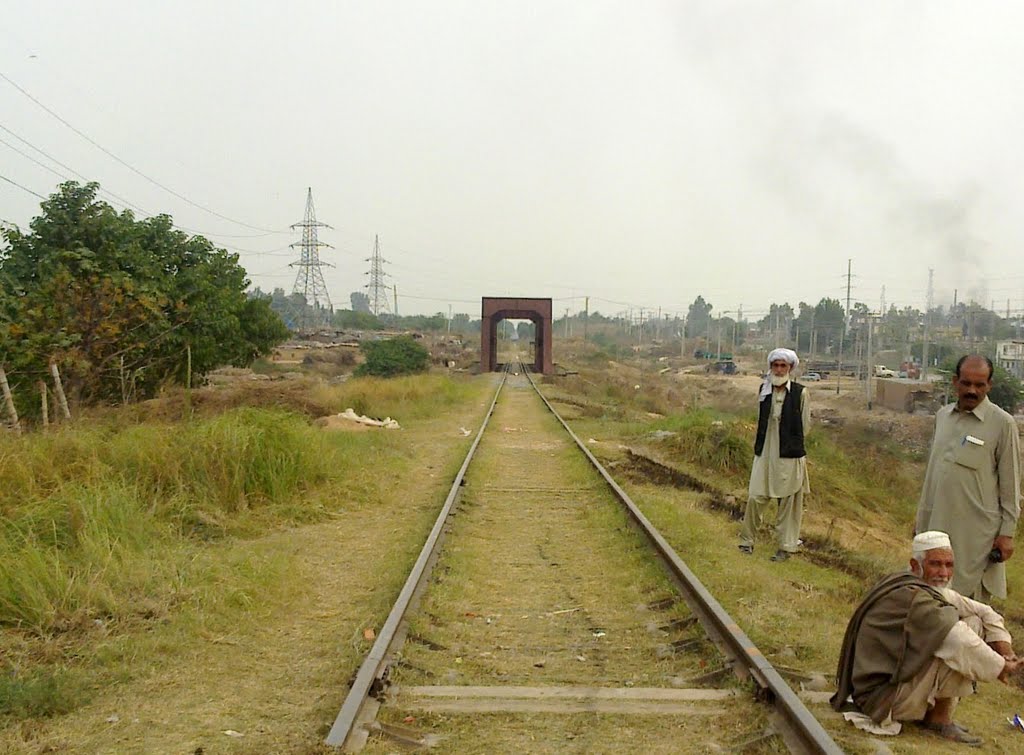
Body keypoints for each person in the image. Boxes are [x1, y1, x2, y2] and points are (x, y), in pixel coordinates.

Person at [831, 531, 1021, 746]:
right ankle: (939, 718)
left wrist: (1006, 652)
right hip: (882, 699)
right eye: (936, 564)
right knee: (957, 638)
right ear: (915, 565)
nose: (944, 573)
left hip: (892, 687)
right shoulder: (913, 597)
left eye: (949, 565)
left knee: (974, 620)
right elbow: (959, 641)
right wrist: (1001, 667)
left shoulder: (922, 587)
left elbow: (986, 611)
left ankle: (935, 716)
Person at [915, 354, 1021, 602]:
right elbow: (934, 476)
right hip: (937, 527)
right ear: (955, 382)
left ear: (989, 385)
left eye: (980, 385)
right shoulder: (942, 417)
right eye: (966, 383)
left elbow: (1011, 486)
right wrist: (921, 520)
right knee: (930, 599)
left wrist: (1007, 534)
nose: (972, 390)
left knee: (969, 608)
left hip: (976, 538)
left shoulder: (1002, 424)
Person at [738, 348, 809, 562]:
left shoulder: (801, 393)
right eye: (775, 365)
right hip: (765, 452)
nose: (778, 370)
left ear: (790, 368)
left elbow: (805, 426)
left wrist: (789, 444)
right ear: (770, 367)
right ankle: (746, 541)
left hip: (789, 455)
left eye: (783, 366)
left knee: (788, 503)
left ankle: (785, 547)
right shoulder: (764, 390)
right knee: (755, 496)